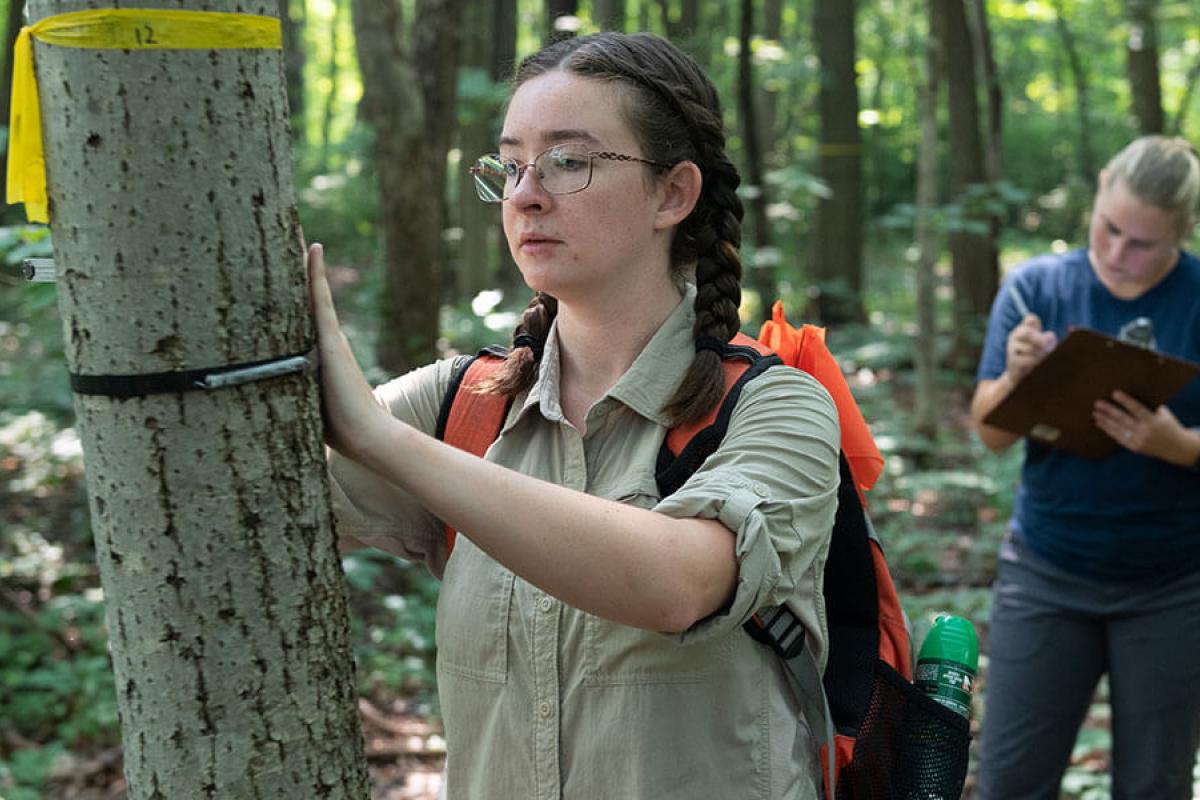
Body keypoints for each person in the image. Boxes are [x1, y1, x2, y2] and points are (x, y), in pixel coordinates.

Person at [309, 32, 841, 800]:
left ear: (673, 194)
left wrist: (379, 441)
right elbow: (241, 508)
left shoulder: (775, 407)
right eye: (511, 163)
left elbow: (674, 584)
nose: (526, 193)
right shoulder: (460, 407)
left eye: (569, 161)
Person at [970, 135, 1200, 799]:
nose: (1117, 254)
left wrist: (1178, 445)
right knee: (1010, 782)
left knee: (1155, 785)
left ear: (1183, 232)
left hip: (1171, 586)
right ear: (1099, 190)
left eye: (1143, 244)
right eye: (1110, 229)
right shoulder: (1037, 288)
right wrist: (1015, 377)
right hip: (1047, 571)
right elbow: (989, 434)